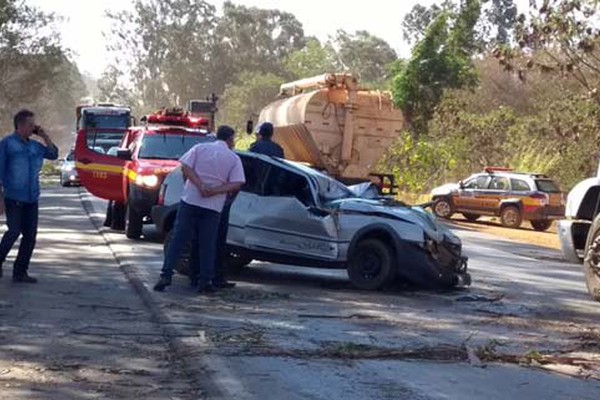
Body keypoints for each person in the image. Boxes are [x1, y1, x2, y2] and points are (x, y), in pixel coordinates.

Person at [153, 125, 245, 294]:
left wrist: (199, 185)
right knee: (207, 243)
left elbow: (185, 167)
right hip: (213, 206)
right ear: (230, 139)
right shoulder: (233, 158)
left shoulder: (199, 148)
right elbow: (238, 183)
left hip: (190, 201)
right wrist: (216, 190)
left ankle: (165, 275)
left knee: (178, 239)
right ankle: (205, 281)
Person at [0, 109, 59, 283]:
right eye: (30, 124)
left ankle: (20, 271)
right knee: (14, 231)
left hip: (32, 197)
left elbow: (53, 154)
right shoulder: (7, 144)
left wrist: (45, 136)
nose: (33, 127)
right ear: (20, 125)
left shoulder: (35, 146)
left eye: (34, 125)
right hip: (13, 196)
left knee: (30, 236)